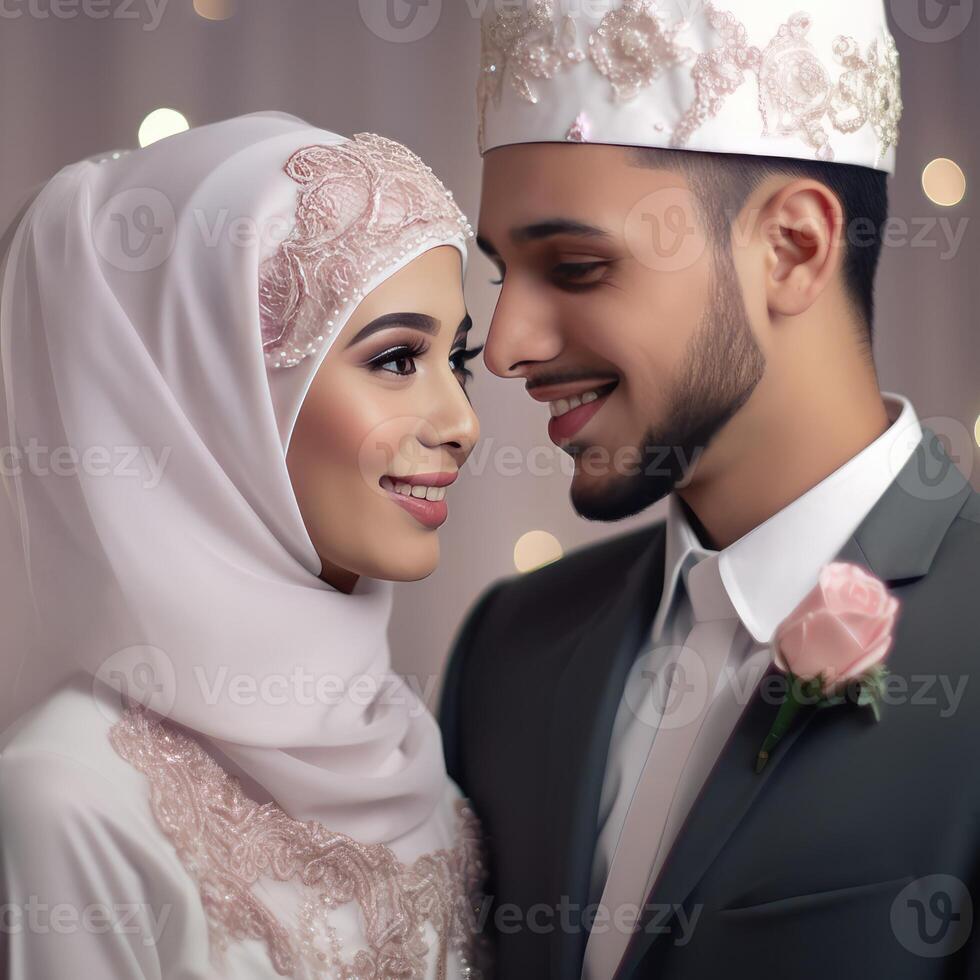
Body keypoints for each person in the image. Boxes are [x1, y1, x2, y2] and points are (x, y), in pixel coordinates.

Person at [440, 2, 980, 978]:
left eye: (576, 266)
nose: (508, 343)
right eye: (503, 273)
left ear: (791, 249)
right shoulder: (507, 647)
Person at [0, 111, 489, 978]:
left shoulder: (411, 753)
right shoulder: (69, 797)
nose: (462, 423)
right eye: (394, 359)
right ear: (213, 397)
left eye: (459, 359)